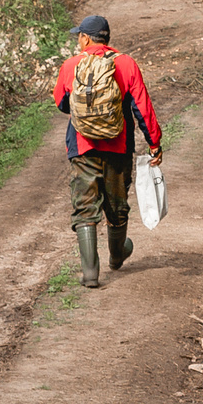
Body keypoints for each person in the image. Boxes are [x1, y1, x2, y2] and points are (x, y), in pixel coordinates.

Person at [53, 14, 162, 289]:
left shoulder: (71, 65)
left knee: (85, 207)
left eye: (79, 36)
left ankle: (90, 273)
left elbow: (62, 103)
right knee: (117, 205)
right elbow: (142, 108)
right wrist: (154, 143)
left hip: (82, 148)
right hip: (118, 147)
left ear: (85, 39)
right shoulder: (125, 64)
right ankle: (117, 255)